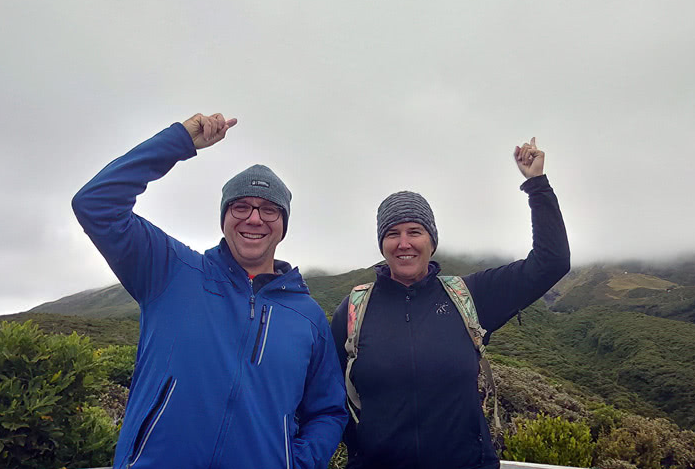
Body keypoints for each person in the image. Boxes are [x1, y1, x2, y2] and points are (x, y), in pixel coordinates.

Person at [72, 114, 346, 469]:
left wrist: (296, 463)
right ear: (224, 217)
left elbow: (328, 411)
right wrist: (179, 142)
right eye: (241, 206)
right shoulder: (170, 270)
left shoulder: (308, 316)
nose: (254, 219)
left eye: (269, 209)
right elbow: (96, 204)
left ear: (283, 225)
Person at [330, 137, 570, 469]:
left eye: (414, 231)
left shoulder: (470, 296)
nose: (404, 244)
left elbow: (552, 262)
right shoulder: (354, 310)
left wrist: (536, 185)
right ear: (381, 243)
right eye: (392, 234)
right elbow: (330, 397)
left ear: (432, 240)